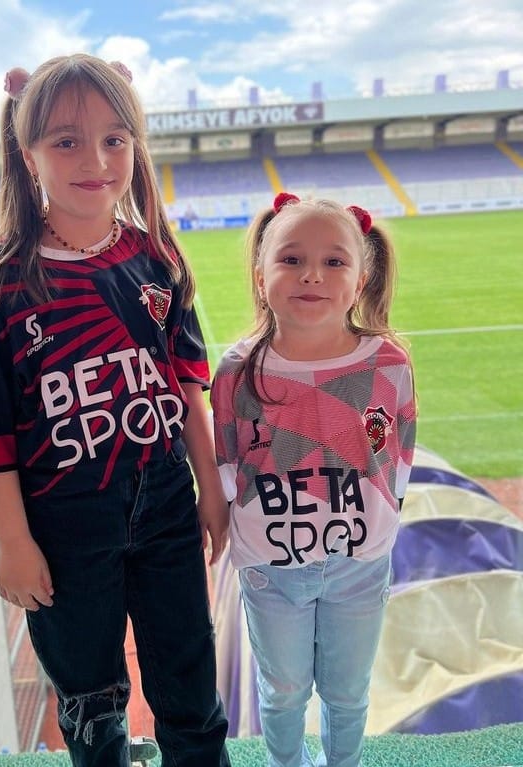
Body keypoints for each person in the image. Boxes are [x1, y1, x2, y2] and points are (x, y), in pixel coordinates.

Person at [0, 54, 231, 767]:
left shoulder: (156, 260)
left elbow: (186, 386)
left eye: (113, 139)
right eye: (66, 141)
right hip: (62, 527)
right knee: (90, 697)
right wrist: (13, 542)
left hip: (165, 507)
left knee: (189, 677)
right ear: (28, 152)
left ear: (135, 145)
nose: (95, 161)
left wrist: (212, 487)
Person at [210, 193, 417, 767]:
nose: (312, 275)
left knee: (347, 694)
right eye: (291, 259)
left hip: (359, 566)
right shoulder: (236, 372)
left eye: (333, 261)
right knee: (283, 693)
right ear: (261, 276)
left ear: (360, 280)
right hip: (272, 571)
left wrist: (380, 522)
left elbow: (399, 454)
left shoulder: (389, 364)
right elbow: (228, 462)